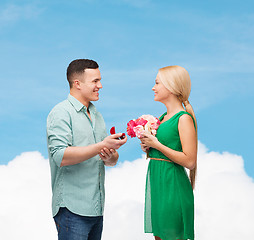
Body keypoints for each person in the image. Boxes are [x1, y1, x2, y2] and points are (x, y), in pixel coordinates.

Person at [46, 59, 127, 240]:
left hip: (96, 209)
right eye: (95, 81)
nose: (100, 85)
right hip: (71, 209)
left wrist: (110, 154)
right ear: (77, 84)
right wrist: (102, 145)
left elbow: (110, 161)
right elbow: (60, 156)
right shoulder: (61, 113)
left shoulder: (97, 115)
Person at [140, 66, 197, 240]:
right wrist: (149, 148)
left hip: (173, 187)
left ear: (171, 87)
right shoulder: (162, 118)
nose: (153, 87)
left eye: (157, 83)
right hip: (158, 185)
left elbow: (190, 161)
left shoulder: (183, 119)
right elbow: (165, 151)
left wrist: (156, 143)